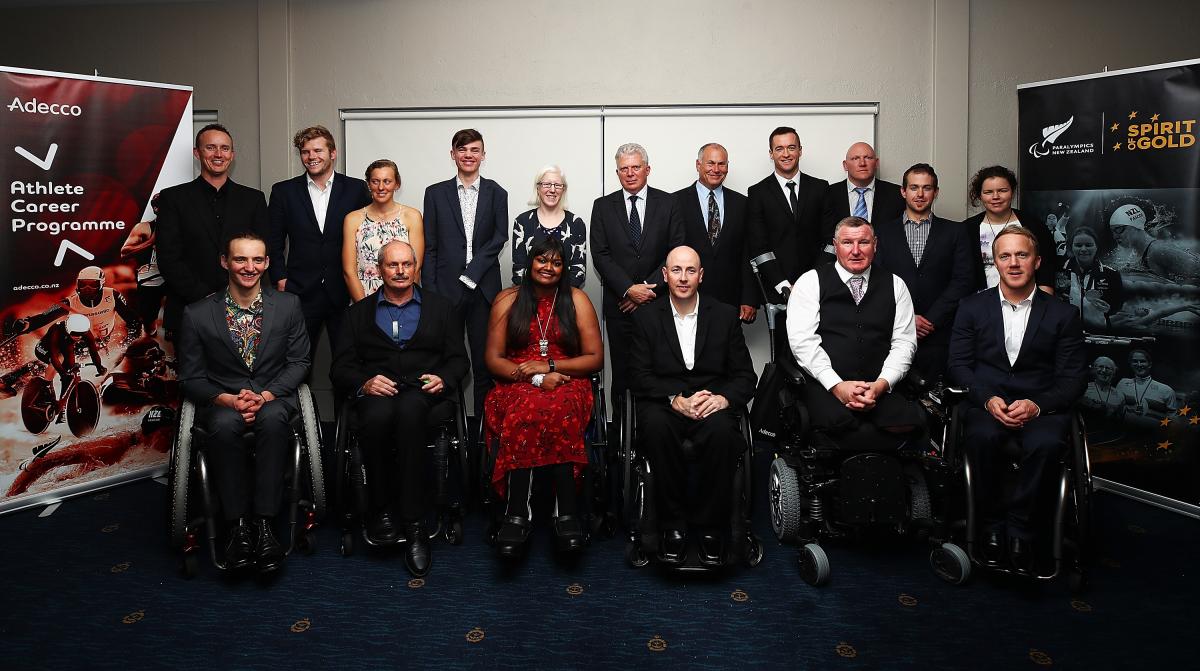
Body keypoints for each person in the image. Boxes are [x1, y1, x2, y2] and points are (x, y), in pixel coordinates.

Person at [947, 225, 1086, 574]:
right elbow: (958, 366)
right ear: (994, 262)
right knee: (981, 437)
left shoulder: (1063, 314)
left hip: (1041, 407)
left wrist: (1037, 405)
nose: (1013, 263)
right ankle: (992, 526)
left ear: (1037, 261)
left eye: (1021, 255)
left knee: (1047, 444)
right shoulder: (971, 307)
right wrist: (988, 398)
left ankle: (1021, 529)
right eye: (1004, 256)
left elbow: (1073, 380)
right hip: (986, 404)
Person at [331, 240, 469, 578]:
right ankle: (382, 511)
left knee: (409, 412)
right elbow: (340, 368)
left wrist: (444, 378)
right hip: (378, 393)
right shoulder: (357, 313)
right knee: (377, 415)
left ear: (415, 267)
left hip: (424, 396)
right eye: (392, 265)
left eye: (407, 264)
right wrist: (364, 383)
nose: (400, 271)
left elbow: (458, 360)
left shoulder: (442, 308)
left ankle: (415, 523)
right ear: (379, 270)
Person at [176, 231, 311, 575]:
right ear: (225, 262)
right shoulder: (197, 314)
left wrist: (265, 396)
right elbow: (190, 377)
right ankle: (237, 527)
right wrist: (228, 399)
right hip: (224, 401)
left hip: (273, 398)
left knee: (274, 420)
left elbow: (299, 362)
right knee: (222, 425)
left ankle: (265, 525)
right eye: (240, 259)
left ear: (266, 264)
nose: (249, 267)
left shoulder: (288, 305)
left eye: (257, 260)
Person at [628, 246, 756, 565]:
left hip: (710, 402)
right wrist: (675, 400)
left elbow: (744, 376)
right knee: (656, 429)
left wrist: (722, 399)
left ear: (701, 275)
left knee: (724, 434)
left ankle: (711, 526)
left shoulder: (725, 316)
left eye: (690, 271)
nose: (683, 278)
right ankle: (673, 525)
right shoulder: (645, 317)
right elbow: (639, 376)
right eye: (676, 270)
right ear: (665, 275)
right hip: (664, 402)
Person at [484, 236, 603, 557]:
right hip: (517, 379)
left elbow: (595, 358)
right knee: (526, 405)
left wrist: (551, 365)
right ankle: (517, 511)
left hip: (568, 377)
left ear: (564, 268)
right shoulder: (507, 300)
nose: (548, 268)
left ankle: (564, 511)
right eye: (542, 260)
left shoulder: (576, 300)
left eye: (556, 262)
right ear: (529, 262)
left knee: (560, 405)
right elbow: (494, 359)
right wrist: (536, 376)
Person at [786, 217, 924, 444]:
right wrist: (837, 386)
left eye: (864, 242)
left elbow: (905, 343)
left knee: (909, 423)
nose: (856, 251)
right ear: (835, 244)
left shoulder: (896, 285)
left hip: (878, 386)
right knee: (844, 429)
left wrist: (881, 384)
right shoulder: (810, 282)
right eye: (848, 242)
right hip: (826, 385)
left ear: (875, 245)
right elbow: (803, 343)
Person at [422, 129, 509, 416]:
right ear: (453, 154)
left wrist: (473, 271)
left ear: (483, 155)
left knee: (485, 363)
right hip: (446, 291)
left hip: (484, 290)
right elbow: (431, 246)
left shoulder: (498, 192)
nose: (468, 155)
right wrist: (431, 293)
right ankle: (451, 430)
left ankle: (484, 435)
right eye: (462, 150)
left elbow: (499, 237)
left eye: (474, 150)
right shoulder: (435, 194)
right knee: (446, 362)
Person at [589, 142, 685, 400]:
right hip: (620, 305)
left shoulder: (669, 203)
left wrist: (646, 289)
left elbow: (676, 252)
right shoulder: (602, 206)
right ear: (617, 173)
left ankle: (653, 432)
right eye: (624, 169)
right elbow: (600, 254)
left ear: (647, 169)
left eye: (636, 167)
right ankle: (621, 435)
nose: (630, 173)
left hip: (659, 303)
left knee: (660, 369)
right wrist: (629, 290)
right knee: (622, 372)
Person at [155, 124, 269, 337]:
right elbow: (168, 257)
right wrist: (205, 298)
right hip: (190, 309)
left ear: (232, 155)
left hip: (244, 310)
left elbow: (262, 254)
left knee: (243, 372)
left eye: (225, 148)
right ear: (197, 153)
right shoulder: (173, 198)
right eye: (211, 147)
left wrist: (239, 299)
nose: (218, 154)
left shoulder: (253, 199)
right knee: (193, 372)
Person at [267, 126, 371, 359]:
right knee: (296, 362)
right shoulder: (284, 191)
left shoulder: (356, 189)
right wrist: (280, 279)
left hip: (345, 291)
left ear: (333, 153)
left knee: (349, 363)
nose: (311, 157)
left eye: (317, 150)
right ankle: (300, 399)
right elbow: (272, 241)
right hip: (299, 292)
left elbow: (366, 237)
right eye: (305, 152)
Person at [874, 163, 974, 381]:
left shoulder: (956, 232)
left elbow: (963, 280)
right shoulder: (881, 232)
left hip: (940, 333)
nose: (920, 194)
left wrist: (932, 319)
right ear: (903, 191)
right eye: (913, 187)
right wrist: (909, 319)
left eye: (927, 188)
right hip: (894, 332)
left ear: (936, 192)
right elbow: (879, 280)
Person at [673, 143, 757, 322]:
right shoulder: (675, 202)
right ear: (698, 165)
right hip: (686, 297)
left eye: (722, 164)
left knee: (728, 349)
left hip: (730, 300)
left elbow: (747, 253)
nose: (716, 169)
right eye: (710, 163)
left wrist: (749, 298)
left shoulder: (742, 204)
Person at [746, 126, 830, 303]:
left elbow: (831, 241)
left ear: (800, 151)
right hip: (779, 293)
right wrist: (783, 285)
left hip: (819, 288)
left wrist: (812, 281)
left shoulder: (820, 188)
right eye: (779, 149)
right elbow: (759, 247)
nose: (786, 154)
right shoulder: (757, 193)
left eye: (791, 147)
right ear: (771, 154)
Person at [963, 165, 1057, 293]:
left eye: (1002, 190)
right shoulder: (966, 229)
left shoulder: (1034, 226)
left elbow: (1046, 273)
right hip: (980, 307)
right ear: (980, 195)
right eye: (988, 192)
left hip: (1028, 304)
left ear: (1012, 192)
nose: (995, 196)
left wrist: (1044, 308)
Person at [342, 159, 424, 301]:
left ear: (396, 184)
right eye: (375, 181)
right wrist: (364, 310)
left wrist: (406, 304)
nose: (381, 187)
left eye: (387, 181)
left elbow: (415, 268)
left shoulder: (412, 216)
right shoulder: (353, 219)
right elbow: (349, 271)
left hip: (404, 300)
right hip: (364, 299)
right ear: (368, 184)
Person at [820, 142, 905, 258]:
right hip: (838, 266)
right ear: (845, 165)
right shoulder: (828, 193)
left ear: (876, 163)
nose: (862, 163)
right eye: (855, 158)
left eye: (868, 158)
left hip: (885, 266)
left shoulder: (897, 194)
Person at [511, 165, 587, 288]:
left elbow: (578, 273)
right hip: (530, 299)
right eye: (546, 184)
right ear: (538, 188)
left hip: (565, 298)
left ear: (564, 190)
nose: (552, 190)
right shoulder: (522, 222)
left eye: (557, 185)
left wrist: (557, 298)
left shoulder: (576, 224)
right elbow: (519, 270)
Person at [1106, 202, 1200, 282]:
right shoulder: (1139, 254)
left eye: (1119, 230)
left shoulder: (1158, 250)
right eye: (1112, 232)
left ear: (1135, 226)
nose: (1115, 236)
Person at [1059, 227, 1124, 331]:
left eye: (1088, 245)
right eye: (1078, 245)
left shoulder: (1111, 274)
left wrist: (1109, 309)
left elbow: (1117, 305)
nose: (1083, 249)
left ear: (1096, 247)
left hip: (1099, 334)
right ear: (1071, 247)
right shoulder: (1059, 271)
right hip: (1066, 334)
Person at [119, 193, 165, 337]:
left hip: (176, 276)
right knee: (149, 320)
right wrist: (151, 242)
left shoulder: (185, 227)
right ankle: (151, 338)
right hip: (151, 278)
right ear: (156, 208)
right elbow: (124, 252)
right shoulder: (144, 228)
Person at [1114, 348, 1177, 429]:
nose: (1139, 364)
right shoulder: (1122, 383)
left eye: (1142, 361)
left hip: (1153, 437)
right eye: (1135, 361)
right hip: (1124, 433)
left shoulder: (1166, 390)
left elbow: (1173, 420)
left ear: (1149, 364)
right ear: (1130, 364)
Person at [1080, 356, 1124, 420]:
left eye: (1108, 368)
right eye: (1100, 367)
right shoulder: (1083, 389)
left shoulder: (1120, 395)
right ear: (1094, 370)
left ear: (1114, 373)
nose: (1103, 371)